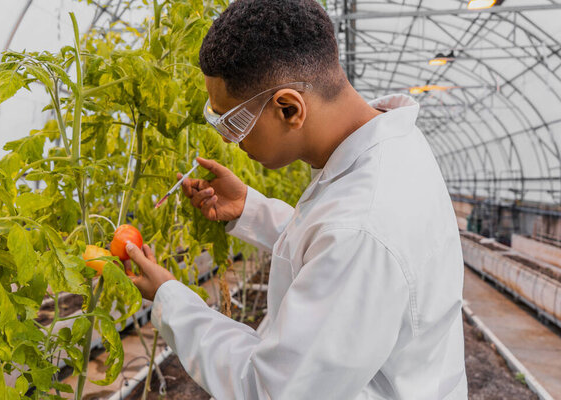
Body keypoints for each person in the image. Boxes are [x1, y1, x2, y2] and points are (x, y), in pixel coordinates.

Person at [124, 0, 468, 398]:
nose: (225, 139)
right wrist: (251, 209)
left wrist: (171, 297)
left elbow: (269, 389)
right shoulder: (388, 148)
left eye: (232, 121)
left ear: (289, 108)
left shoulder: (362, 226)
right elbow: (329, 245)